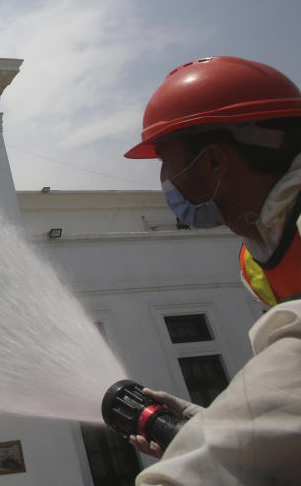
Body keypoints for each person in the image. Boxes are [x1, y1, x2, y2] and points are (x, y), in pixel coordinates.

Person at [121, 56, 301, 484]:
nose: (164, 179)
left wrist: (213, 450)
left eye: (166, 159)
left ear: (214, 162)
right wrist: (209, 423)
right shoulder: (260, 258)